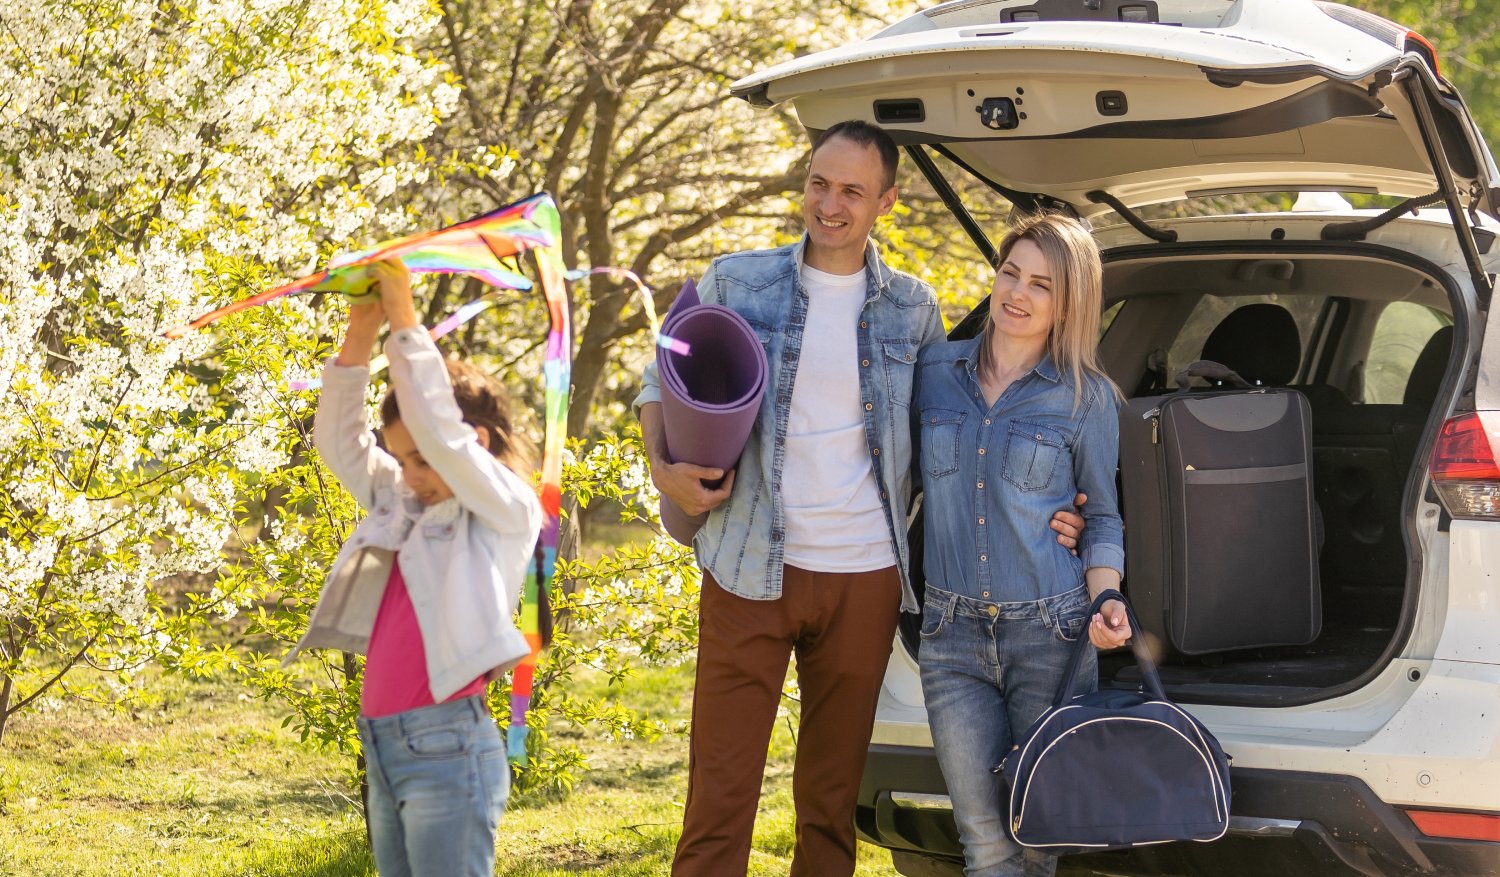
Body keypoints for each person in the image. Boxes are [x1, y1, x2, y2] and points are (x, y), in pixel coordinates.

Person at [634, 120, 1087, 877]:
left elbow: (958, 424)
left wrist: (1052, 503)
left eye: (851, 190)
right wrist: (662, 468)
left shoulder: (913, 307)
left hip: (865, 578)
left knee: (830, 798)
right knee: (719, 794)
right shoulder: (737, 281)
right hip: (749, 568)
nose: (830, 204)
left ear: (887, 202)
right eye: (819, 183)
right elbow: (660, 380)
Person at [287, 258, 542, 877]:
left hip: (447, 748)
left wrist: (404, 316)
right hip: (383, 744)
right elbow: (341, 444)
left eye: (420, 459)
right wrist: (362, 328)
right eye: (401, 459)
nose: (410, 475)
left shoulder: (504, 510)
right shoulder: (402, 502)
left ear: (475, 443)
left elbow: (442, 436)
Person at [913, 213, 1132, 877]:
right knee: (982, 839)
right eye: (1011, 273)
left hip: (1052, 635)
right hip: (951, 636)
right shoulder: (933, 371)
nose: (1017, 293)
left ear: (1069, 303)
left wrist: (1108, 599)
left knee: (1039, 838)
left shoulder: (1086, 399)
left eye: (1041, 284)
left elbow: (1102, 517)